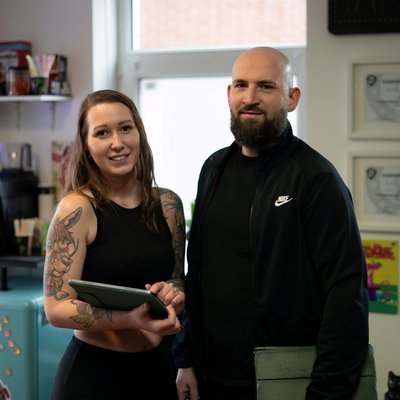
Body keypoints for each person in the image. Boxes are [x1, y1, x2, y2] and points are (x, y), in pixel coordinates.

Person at [174, 47, 369, 400]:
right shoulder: (213, 170)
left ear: (291, 98)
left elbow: (346, 295)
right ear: (229, 94)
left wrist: (325, 393)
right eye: (241, 85)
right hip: (210, 379)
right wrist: (185, 357)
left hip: (284, 382)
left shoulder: (315, 179)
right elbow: (197, 272)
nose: (250, 98)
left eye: (265, 86)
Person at [43, 89, 186, 399]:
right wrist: (128, 319)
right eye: (102, 133)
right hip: (93, 378)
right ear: (87, 145)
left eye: (125, 128)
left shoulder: (168, 205)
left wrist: (173, 294)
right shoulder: (76, 210)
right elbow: (55, 308)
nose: (117, 143)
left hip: (157, 372)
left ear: (139, 133)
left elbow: (177, 278)